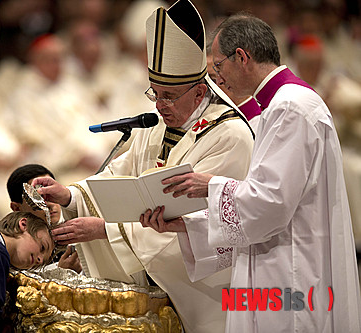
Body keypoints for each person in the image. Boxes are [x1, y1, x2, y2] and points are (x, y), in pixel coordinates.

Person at [32, 1, 254, 331]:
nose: (160, 105)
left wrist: (104, 231)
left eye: (169, 95)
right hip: (147, 279)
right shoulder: (157, 126)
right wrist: (70, 196)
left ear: (199, 92)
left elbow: (201, 223)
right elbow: (116, 176)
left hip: (206, 290)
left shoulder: (230, 135)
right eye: (156, 93)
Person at [141, 14, 361, 333]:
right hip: (278, 263)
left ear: (241, 57)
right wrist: (189, 226)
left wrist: (209, 185)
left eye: (218, 66)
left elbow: (270, 203)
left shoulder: (290, 109)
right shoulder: (282, 105)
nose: (217, 77)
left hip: (290, 275)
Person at [7, 164, 82, 273]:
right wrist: (60, 273)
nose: (51, 204)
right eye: (38, 198)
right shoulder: (15, 246)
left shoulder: (76, 234)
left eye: (52, 194)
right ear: (17, 208)